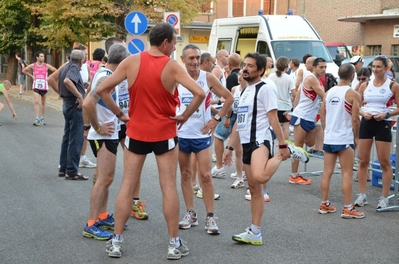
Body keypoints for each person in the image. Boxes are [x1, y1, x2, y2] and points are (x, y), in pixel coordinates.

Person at [95, 23, 205, 260]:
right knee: (168, 186)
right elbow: (200, 93)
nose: (174, 47)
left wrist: (120, 114)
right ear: (165, 42)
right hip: (164, 133)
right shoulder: (172, 66)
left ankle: (116, 242)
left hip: (136, 132)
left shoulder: (131, 61)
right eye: (174, 43)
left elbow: (103, 90)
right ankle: (174, 244)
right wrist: (184, 116)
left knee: (127, 185)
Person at [222, 53, 306, 246]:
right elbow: (238, 123)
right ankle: (255, 232)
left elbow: (273, 118)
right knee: (254, 188)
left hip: (260, 140)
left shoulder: (265, 88)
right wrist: (229, 146)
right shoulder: (242, 92)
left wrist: (282, 144)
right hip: (245, 142)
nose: (246, 68)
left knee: (260, 178)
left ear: (260, 70)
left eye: (251, 66)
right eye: (245, 65)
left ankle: (286, 153)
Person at [177, 44, 233, 235]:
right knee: (185, 175)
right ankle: (190, 213)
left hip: (201, 135)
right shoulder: (176, 78)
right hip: (181, 135)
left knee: (206, 175)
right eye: (190, 58)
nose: (194, 62)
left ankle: (210, 217)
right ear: (183, 59)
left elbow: (229, 98)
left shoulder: (207, 77)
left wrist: (216, 120)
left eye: (197, 58)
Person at [82, 43, 130, 240]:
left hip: (108, 132)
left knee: (105, 178)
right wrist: (98, 127)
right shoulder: (105, 77)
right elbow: (87, 103)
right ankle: (91, 223)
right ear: (123, 61)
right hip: (104, 134)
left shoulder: (106, 75)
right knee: (105, 179)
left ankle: (101, 216)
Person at [319, 63, 364, 219]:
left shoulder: (328, 92)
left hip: (330, 137)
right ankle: (347, 208)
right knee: (346, 173)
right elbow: (355, 119)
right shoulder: (352, 94)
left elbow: (322, 115)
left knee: (327, 172)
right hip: (344, 138)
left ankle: (324, 204)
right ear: (352, 76)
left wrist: (327, 130)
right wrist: (356, 137)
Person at [354, 55, 399, 209]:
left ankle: (384, 197)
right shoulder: (365, 85)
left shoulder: (393, 85)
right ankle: (362, 195)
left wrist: (386, 115)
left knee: (384, 162)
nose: (375, 69)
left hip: (383, 123)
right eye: (373, 67)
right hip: (367, 122)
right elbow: (357, 106)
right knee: (363, 161)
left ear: (386, 68)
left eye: (379, 67)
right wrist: (362, 113)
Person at [289, 57, 326, 185]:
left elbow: (299, 94)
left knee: (310, 143)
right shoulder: (311, 78)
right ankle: (293, 176)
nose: (324, 69)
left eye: (325, 67)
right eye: (321, 67)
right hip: (302, 115)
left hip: (310, 117)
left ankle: (290, 148)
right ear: (314, 68)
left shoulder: (317, 80)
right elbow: (324, 96)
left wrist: (294, 106)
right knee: (298, 147)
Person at [57, 49, 88, 180]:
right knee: (76, 137)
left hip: (66, 103)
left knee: (67, 136)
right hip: (74, 105)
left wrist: (81, 85)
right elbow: (68, 81)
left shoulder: (66, 66)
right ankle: (72, 171)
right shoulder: (74, 68)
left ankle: (63, 168)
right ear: (81, 60)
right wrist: (80, 96)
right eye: (85, 57)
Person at [211, 53, 241, 178]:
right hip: (232, 111)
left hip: (229, 112)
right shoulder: (218, 70)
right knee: (238, 143)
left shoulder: (230, 77)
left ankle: (219, 166)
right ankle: (241, 173)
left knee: (218, 136)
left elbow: (229, 98)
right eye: (225, 55)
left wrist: (226, 116)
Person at [226, 70, 248, 188]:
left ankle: (246, 173)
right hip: (236, 118)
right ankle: (239, 177)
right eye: (239, 74)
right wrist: (227, 118)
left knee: (247, 150)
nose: (240, 77)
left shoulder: (251, 90)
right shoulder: (235, 89)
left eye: (243, 75)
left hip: (247, 120)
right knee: (238, 150)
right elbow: (230, 104)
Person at [22, 51, 57, 125]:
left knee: (43, 103)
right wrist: (31, 76)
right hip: (36, 86)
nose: (43, 58)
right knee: (36, 101)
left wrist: (49, 77)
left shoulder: (46, 66)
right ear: (37, 57)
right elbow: (24, 70)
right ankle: (37, 118)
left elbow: (56, 70)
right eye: (41, 56)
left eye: (43, 56)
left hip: (44, 85)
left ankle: (42, 118)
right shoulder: (33, 65)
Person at [268, 56, 295, 140]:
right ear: (286, 66)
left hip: (273, 106)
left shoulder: (271, 76)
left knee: (272, 126)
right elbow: (294, 93)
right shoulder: (289, 78)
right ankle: (285, 145)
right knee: (285, 127)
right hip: (286, 106)